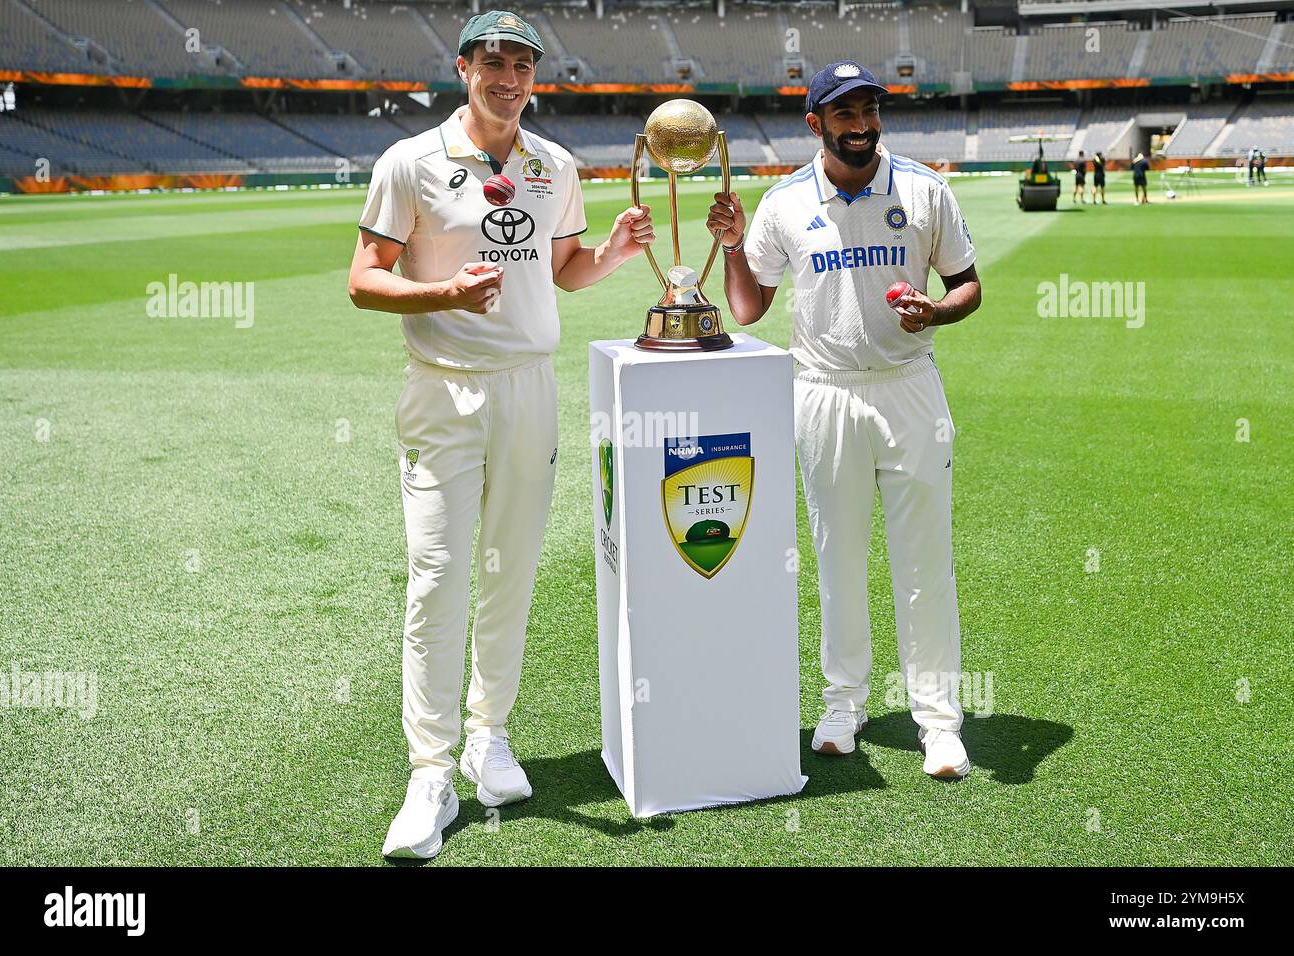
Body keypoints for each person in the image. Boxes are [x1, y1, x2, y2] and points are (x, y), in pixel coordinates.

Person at [348, 10, 654, 859]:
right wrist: (442, 296)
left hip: (528, 390)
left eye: (522, 64)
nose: (508, 77)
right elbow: (364, 280)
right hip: (443, 396)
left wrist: (618, 253)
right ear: (464, 67)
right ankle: (430, 772)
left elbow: (565, 269)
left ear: (535, 77)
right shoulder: (408, 162)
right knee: (439, 576)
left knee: (509, 572)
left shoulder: (553, 165)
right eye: (494, 61)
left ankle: (490, 738)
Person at [706, 62, 982, 779]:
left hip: (909, 386)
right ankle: (844, 702)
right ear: (816, 124)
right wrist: (734, 246)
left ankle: (938, 719)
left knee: (924, 559)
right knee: (837, 555)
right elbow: (747, 309)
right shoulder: (785, 201)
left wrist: (938, 311)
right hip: (823, 392)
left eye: (869, 111)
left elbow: (967, 286)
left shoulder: (925, 188)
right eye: (845, 114)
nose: (860, 126)